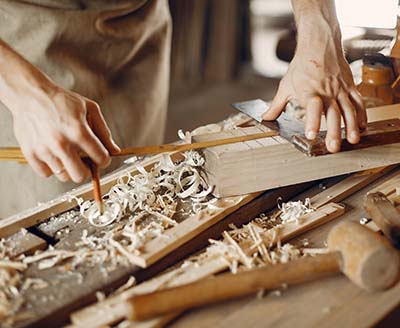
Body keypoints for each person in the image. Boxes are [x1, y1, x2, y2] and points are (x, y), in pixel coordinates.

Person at [0, 0, 365, 218]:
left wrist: (320, 33)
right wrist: (27, 94)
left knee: (126, 187)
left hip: (135, 17)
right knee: (58, 206)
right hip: (24, 39)